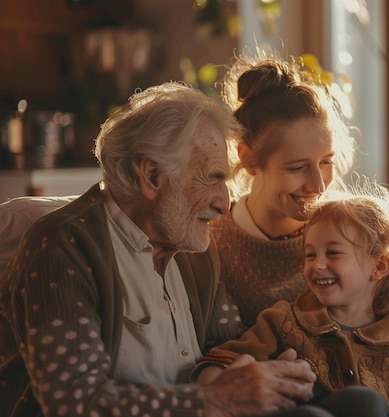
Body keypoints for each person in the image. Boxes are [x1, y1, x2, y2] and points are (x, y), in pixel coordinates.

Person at [0, 81, 323, 417]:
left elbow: (228, 344)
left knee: (356, 403)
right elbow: (75, 403)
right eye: (213, 178)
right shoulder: (61, 246)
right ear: (151, 176)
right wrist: (212, 401)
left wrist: (270, 368)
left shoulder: (192, 245)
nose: (225, 203)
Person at [194, 183, 389, 417]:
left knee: (366, 404)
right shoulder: (283, 321)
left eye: (333, 253)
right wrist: (213, 393)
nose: (318, 265)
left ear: (379, 266)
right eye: (310, 255)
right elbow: (221, 362)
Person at [207, 49, 357, 341]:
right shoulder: (209, 244)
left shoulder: (351, 233)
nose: (319, 185)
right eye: (297, 167)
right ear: (248, 158)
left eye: (326, 162)